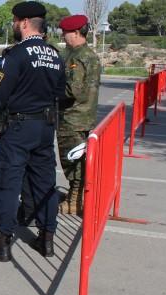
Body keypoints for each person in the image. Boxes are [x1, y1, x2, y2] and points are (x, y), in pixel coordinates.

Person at [0, 1, 66, 262]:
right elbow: (60, 94)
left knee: (7, 183)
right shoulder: (54, 55)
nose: (14, 25)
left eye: (15, 21)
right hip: (45, 127)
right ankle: (47, 240)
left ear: (24, 22)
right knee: (45, 184)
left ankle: (1, 244)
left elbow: (0, 95)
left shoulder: (16, 55)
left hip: (19, 128)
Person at [56, 15, 101, 214]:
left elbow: (72, 90)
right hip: (82, 117)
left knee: (72, 162)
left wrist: (47, 91)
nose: (63, 36)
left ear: (75, 33)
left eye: (65, 33)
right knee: (77, 161)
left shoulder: (79, 57)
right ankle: (76, 197)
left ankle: (75, 202)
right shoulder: (85, 54)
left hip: (72, 118)